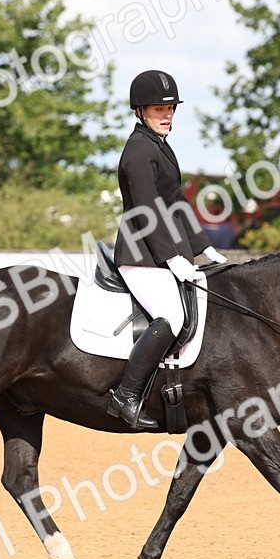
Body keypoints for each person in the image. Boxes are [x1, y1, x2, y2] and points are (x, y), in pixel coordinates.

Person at [106, 70, 227, 429]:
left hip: (160, 255)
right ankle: (126, 396)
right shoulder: (139, 151)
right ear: (140, 111)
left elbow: (176, 205)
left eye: (171, 107)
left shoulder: (160, 147)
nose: (167, 114)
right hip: (141, 256)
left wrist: (206, 250)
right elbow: (146, 210)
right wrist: (172, 257)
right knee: (172, 317)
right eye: (159, 108)